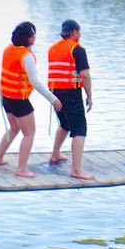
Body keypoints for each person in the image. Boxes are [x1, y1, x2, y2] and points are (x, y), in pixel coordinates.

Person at [0, 21, 59, 177]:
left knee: (14, 128)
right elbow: (34, 81)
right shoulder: (26, 56)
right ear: (28, 38)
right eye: (33, 34)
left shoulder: (8, 49)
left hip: (5, 97)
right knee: (29, 133)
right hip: (19, 100)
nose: (35, 37)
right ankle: (21, 169)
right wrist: (52, 98)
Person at [44, 20, 94, 181]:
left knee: (65, 124)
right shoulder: (78, 50)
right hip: (71, 92)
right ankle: (77, 170)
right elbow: (84, 75)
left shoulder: (53, 49)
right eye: (79, 32)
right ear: (74, 33)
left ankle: (55, 154)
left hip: (55, 92)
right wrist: (90, 96)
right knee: (79, 129)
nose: (80, 35)